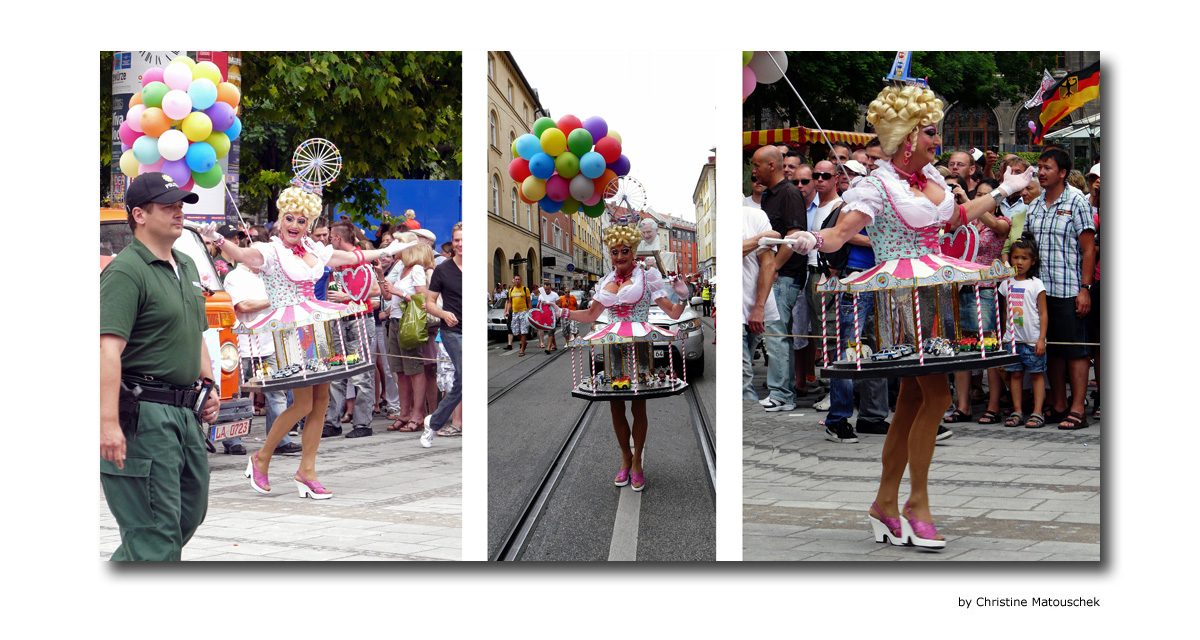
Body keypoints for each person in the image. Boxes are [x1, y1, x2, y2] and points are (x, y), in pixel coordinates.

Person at [790, 83, 1033, 549]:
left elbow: (957, 217)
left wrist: (1004, 189)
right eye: (927, 132)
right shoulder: (875, 185)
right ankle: (914, 504)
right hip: (900, 302)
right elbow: (842, 233)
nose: (935, 141)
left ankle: (886, 502)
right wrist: (811, 240)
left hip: (934, 295)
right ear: (905, 139)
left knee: (913, 404)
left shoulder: (930, 183)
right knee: (935, 398)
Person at [198, 186, 413, 499]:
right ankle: (262, 457)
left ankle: (307, 471)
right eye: (289, 218)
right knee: (301, 402)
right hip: (289, 330)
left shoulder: (314, 249)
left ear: (309, 223)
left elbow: (351, 256)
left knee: (321, 402)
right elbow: (243, 255)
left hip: (319, 328)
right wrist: (218, 240)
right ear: (281, 219)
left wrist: (387, 250)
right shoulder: (271, 252)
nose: (295, 225)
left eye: (301, 220)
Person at [100, 172, 221, 560]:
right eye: (167, 206)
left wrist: (208, 383)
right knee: (155, 533)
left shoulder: (184, 264)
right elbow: (105, 351)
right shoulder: (126, 271)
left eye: (181, 205)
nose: (178, 212)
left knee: (187, 515)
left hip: (185, 413)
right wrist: (107, 424)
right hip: (144, 415)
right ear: (139, 214)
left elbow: (195, 331)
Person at [563, 219, 692, 491]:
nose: (620, 256)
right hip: (613, 346)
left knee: (638, 405)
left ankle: (637, 463)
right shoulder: (606, 281)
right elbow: (590, 315)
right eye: (614, 251)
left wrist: (682, 296)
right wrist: (560, 312)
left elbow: (673, 314)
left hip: (640, 345)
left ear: (633, 250)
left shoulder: (648, 276)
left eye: (625, 251)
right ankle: (625, 458)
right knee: (615, 404)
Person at [1025, 148, 1096, 430]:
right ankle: (1059, 403)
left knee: (1075, 350)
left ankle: (1079, 408)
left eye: (1047, 168)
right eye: (1039, 167)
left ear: (1063, 173)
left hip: (1070, 289)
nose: (1041, 172)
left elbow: (1089, 249)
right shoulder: (1034, 204)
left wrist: (1085, 288)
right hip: (1042, 291)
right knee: (1051, 349)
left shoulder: (1076, 201)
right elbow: (1027, 245)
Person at [223, 251, 302, 456]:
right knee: (236, 394)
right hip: (242, 344)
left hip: (267, 344)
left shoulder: (266, 276)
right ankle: (232, 440)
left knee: (276, 392)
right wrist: (273, 300)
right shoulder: (234, 276)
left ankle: (280, 439)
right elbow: (242, 305)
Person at [750, 145, 808, 413]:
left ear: (771, 166)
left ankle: (782, 394)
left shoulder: (789, 193)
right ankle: (780, 391)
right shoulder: (769, 196)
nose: (753, 171)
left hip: (784, 274)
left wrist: (773, 270)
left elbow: (792, 239)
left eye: (756, 165)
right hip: (775, 274)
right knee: (773, 334)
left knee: (776, 333)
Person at [322, 221, 381, 438]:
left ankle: (363, 424)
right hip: (341, 319)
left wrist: (346, 297)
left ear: (338, 238)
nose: (328, 241)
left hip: (358, 320)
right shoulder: (340, 260)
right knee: (338, 371)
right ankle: (332, 421)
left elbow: (374, 290)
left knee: (362, 373)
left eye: (330, 237)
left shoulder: (359, 258)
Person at [382, 233, 436, 432]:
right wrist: (382, 277)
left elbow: (422, 299)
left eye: (399, 244)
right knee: (401, 371)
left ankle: (417, 415)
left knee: (415, 370)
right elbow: (387, 294)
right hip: (394, 321)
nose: (395, 247)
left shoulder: (417, 269)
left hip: (409, 323)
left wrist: (400, 292)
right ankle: (404, 414)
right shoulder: (401, 269)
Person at [998, 233, 1049, 428]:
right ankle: (1017, 410)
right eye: (1015, 257)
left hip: (1032, 340)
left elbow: (1043, 314)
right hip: (1012, 341)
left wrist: (1041, 339)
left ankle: (1037, 412)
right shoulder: (1006, 284)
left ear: (1033, 261)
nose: (1019, 262)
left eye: (1024, 258)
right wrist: (1004, 336)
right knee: (1015, 375)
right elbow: (1004, 312)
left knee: (1036, 374)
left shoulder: (1036, 284)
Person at [421, 223, 464, 447]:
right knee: (466, 378)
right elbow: (429, 303)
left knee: (460, 383)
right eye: (456, 240)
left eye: (464, 239)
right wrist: (444, 313)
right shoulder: (443, 269)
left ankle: (433, 422)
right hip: (452, 331)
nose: (460, 244)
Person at [743, 206, 781, 400]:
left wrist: (759, 308)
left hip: (750, 310)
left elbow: (769, 264)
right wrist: (758, 240)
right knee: (742, 380)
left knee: (744, 377)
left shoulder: (755, 216)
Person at [505, 274, 533, 356]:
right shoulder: (511, 290)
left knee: (523, 331)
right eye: (516, 279)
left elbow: (529, 301)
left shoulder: (525, 289)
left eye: (518, 279)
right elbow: (510, 302)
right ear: (514, 280)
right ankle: (524, 342)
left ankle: (522, 350)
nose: (517, 281)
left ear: (521, 280)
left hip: (523, 312)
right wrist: (507, 311)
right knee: (515, 332)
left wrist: (530, 310)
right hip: (515, 312)